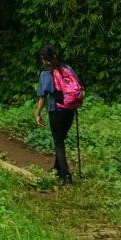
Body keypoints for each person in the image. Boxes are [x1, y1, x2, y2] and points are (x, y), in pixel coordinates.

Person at [34, 44, 81, 185]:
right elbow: (77, 87)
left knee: (58, 142)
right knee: (60, 139)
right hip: (70, 110)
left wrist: (37, 114)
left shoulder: (45, 74)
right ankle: (57, 168)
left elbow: (42, 97)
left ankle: (66, 177)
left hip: (56, 111)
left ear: (44, 59)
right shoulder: (67, 69)